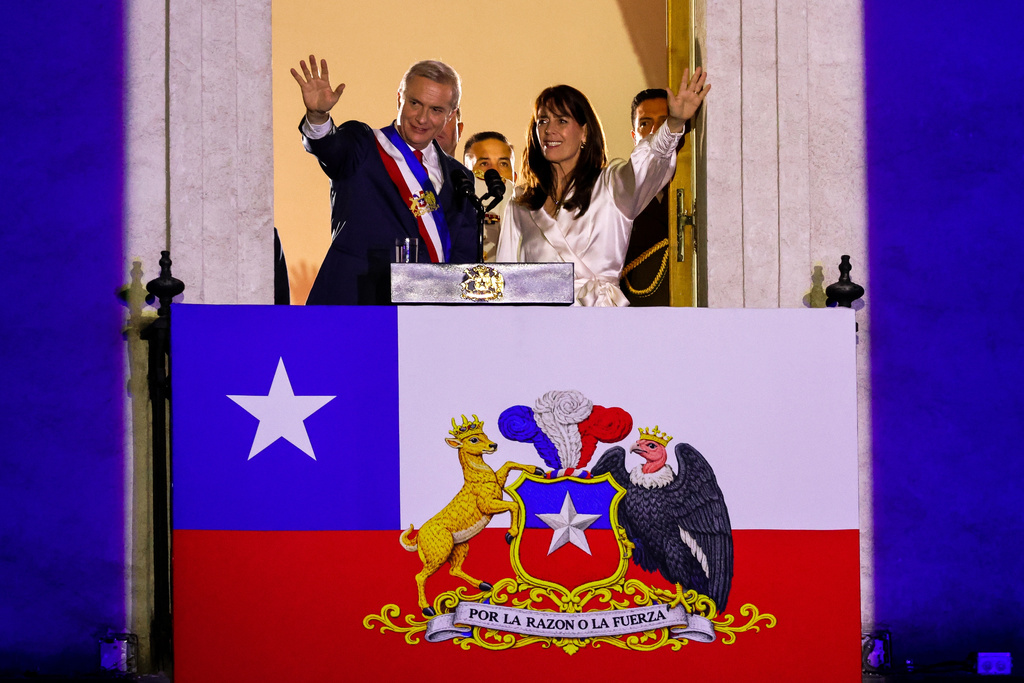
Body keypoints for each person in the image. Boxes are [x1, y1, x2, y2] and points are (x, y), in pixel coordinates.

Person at [495, 69, 709, 306]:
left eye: (562, 121)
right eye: (542, 121)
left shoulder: (611, 184)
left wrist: (674, 123)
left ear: (584, 131)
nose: (549, 130)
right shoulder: (521, 203)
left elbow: (646, 167)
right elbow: (504, 281)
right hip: (538, 326)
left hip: (600, 322)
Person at [291, 55, 479, 305]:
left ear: (451, 115)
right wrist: (317, 116)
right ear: (399, 98)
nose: (422, 118)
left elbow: (463, 258)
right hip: (354, 307)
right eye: (415, 103)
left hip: (427, 316)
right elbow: (329, 148)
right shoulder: (364, 146)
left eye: (436, 110)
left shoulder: (460, 176)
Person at [621, 88, 674, 306]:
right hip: (638, 312)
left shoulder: (698, 188)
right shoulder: (618, 191)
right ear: (634, 136)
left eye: (665, 121)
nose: (655, 131)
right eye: (645, 123)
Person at [463, 131, 517, 261]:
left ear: (515, 176)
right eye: (484, 164)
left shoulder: (529, 214)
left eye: (504, 164)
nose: (494, 172)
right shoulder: (451, 209)